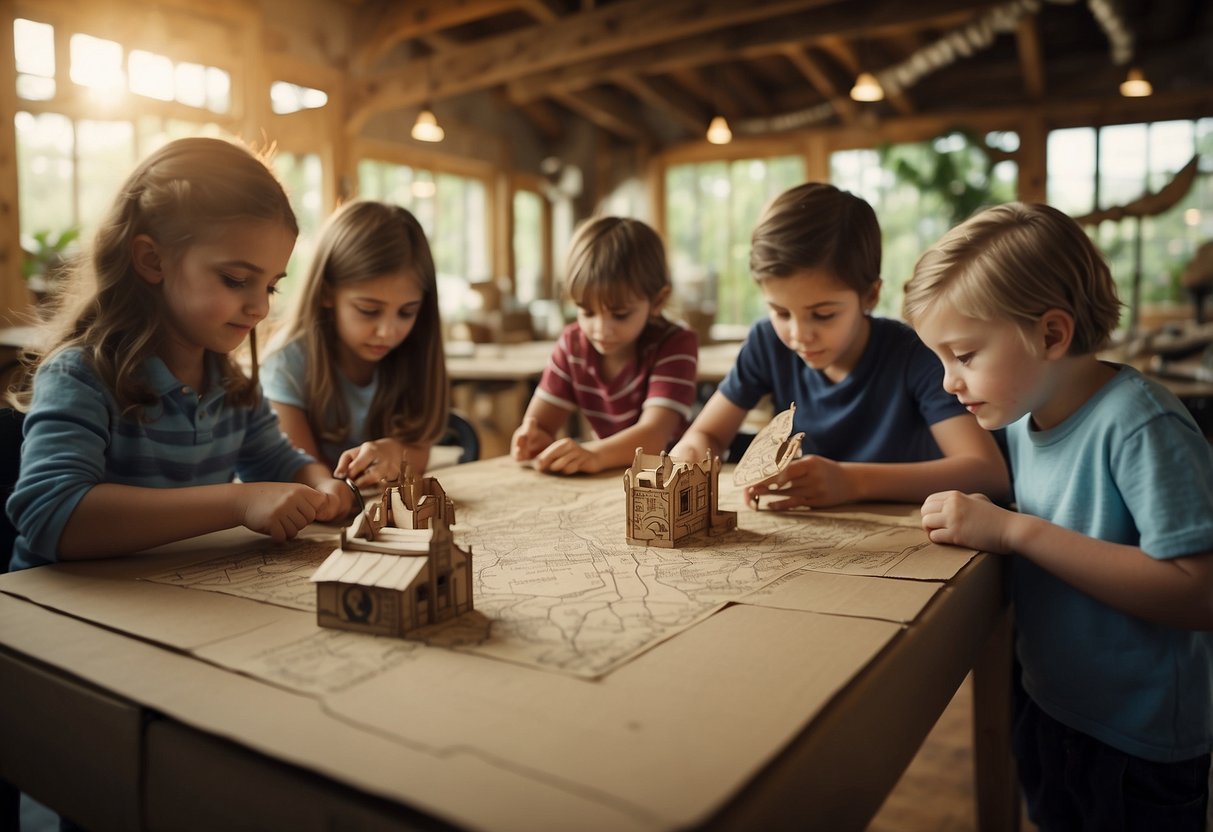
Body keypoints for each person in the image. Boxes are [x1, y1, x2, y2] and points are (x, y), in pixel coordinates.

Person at [903, 202, 1213, 830]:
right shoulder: (1025, 421)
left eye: (963, 355)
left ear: (1051, 334)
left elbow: (1197, 591)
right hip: (1052, 706)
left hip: (1135, 740)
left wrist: (1014, 529)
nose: (948, 383)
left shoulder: (1139, 423)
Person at [5, 137, 353, 572]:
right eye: (234, 279)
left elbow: (280, 463)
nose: (260, 308)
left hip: (169, 602)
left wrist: (324, 485)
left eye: (270, 286)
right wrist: (238, 502)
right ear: (152, 260)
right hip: (58, 615)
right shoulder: (82, 375)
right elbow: (51, 515)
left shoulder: (232, 387)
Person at [670, 182, 1008, 509]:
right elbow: (708, 436)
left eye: (823, 314)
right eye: (780, 311)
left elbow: (988, 473)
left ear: (870, 295)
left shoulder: (915, 355)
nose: (800, 334)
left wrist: (851, 482)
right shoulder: (767, 343)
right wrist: (691, 451)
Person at [262, 201, 449, 488]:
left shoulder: (414, 351)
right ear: (327, 293)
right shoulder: (286, 363)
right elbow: (301, 473)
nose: (387, 332)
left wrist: (396, 453)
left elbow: (420, 453)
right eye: (368, 310)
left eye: (407, 312)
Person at [511, 216, 698, 475]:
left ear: (658, 300)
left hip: (668, 480)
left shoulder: (675, 343)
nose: (600, 329)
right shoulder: (572, 346)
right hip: (609, 476)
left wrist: (593, 455)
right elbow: (539, 425)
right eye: (586, 311)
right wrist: (532, 439)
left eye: (620, 314)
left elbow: (655, 436)